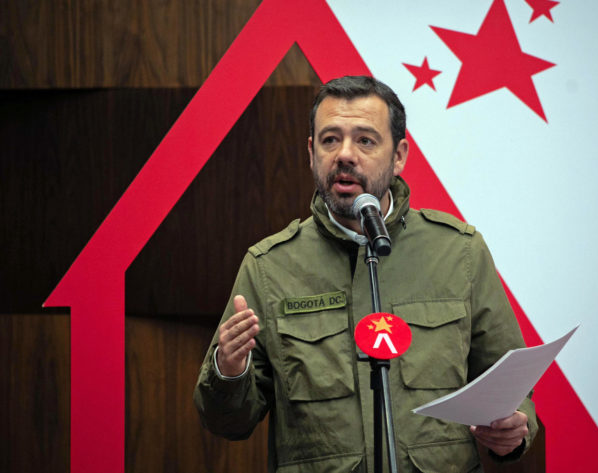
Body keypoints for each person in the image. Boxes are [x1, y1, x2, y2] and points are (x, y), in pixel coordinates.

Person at [194, 75, 537, 472]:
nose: (344, 154)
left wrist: (514, 429)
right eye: (330, 140)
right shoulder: (269, 267)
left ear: (399, 156)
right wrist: (229, 371)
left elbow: (511, 385)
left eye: (365, 140)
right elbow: (226, 422)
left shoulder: (458, 251)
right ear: (311, 152)